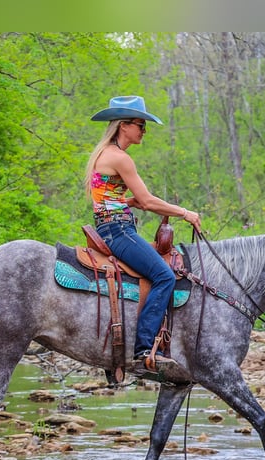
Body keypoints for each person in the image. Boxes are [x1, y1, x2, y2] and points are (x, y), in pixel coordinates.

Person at [85, 95, 201, 371]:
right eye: (140, 124)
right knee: (163, 276)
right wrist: (185, 213)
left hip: (109, 226)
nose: (144, 131)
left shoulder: (104, 154)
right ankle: (143, 349)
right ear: (124, 125)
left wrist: (127, 202)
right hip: (118, 231)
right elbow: (149, 201)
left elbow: (104, 200)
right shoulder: (120, 158)